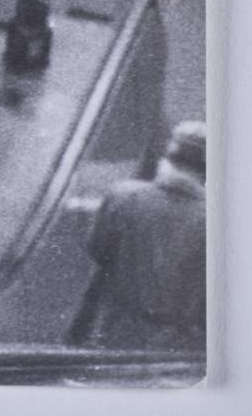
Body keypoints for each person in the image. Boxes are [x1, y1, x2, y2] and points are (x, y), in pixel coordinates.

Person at [80, 121, 206, 350]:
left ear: (168, 156)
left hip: (113, 336)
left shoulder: (123, 196)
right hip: (179, 350)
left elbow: (97, 251)